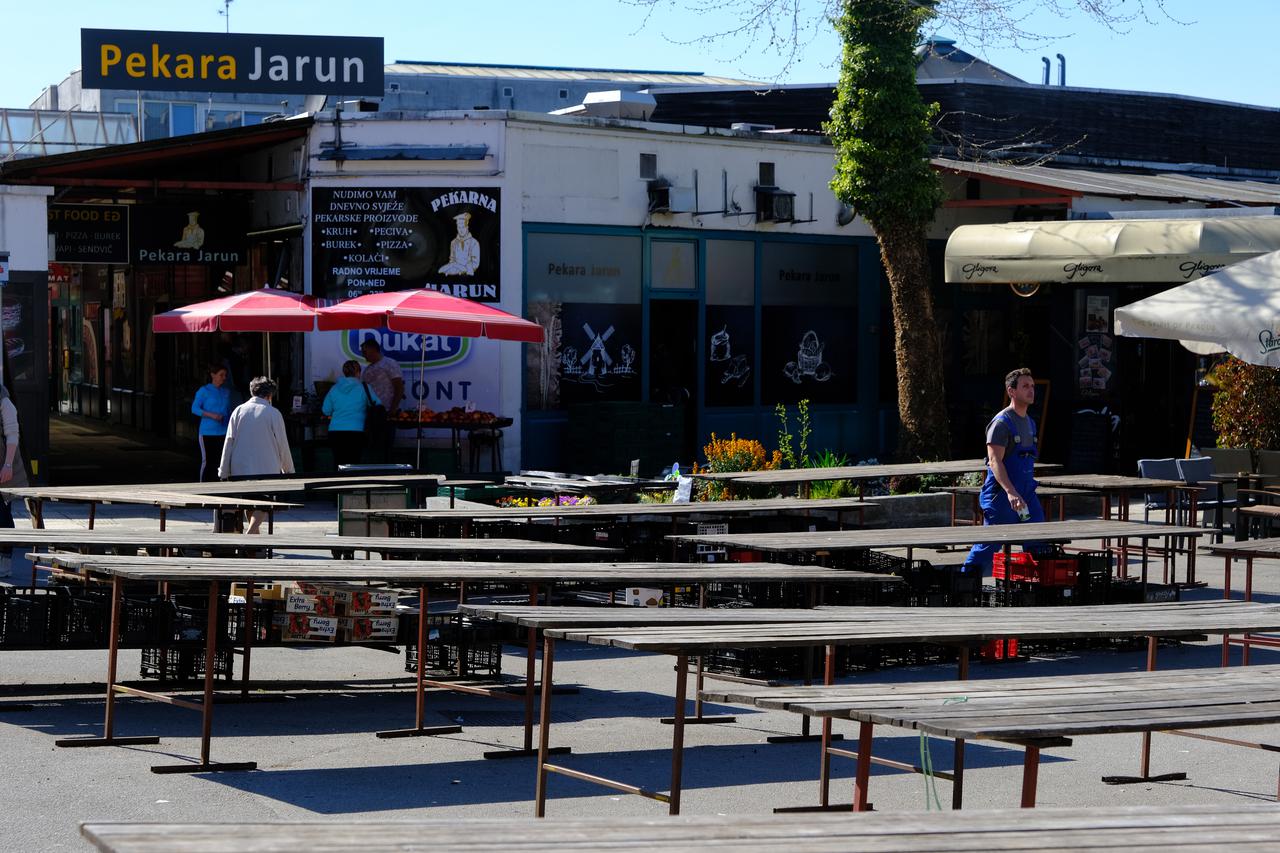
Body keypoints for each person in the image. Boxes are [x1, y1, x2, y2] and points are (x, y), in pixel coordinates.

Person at [963, 367, 1044, 573]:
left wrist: (1021, 493)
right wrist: (1010, 492)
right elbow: (994, 461)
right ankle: (964, 581)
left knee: (1039, 540)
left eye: (1032, 386)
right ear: (1012, 391)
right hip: (1002, 496)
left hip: (1026, 494)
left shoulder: (1031, 423)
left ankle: (1038, 589)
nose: (1031, 390)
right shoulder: (1001, 424)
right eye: (1025, 386)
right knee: (988, 546)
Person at [218, 376, 294, 534]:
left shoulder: (238, 411)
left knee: (249, 501)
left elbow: (229, 442)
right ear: (270, 395)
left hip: (240, 467)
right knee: (264, 502)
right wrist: (289, 470)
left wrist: (224, 470)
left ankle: (253, 543)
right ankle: (251, 533)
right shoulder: (273, 413)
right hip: (266, 467)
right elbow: (283, 444)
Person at [322, 359, 380, 467]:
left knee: (338, 463)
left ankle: (338, 482)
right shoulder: (364, 388)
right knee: (354, 464)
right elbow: (377, 405)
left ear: (344, 372)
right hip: (357, 432)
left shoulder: (334, 388)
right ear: (358, 372)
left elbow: (326, 410)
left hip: (335, 432)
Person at [360, 338, 404, 461]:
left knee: (385, 445)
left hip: (386, 411)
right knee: (371, 444)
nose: (363, 355)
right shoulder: (367, 369)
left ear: (373, 349)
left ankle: (386, 472)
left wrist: (393, 409)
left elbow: (399, 387)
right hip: (370, 411)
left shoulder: (389, 364)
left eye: (365, 351)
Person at [0, 386, 27, 578]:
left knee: (1, 514)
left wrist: (8, 465)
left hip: (2, 467)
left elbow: (12, 434)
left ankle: (5, 560)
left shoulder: (4, 401)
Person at [191, 364, 234, 482]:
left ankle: (220, 483)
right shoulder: (204, 391)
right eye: (221, 375)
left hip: (223, 431)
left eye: (225, 375)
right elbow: (194, 408)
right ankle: (203, 484)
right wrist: (211, 415)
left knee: (222, 459)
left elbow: (228, 410)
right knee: (208, 460)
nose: (224, 378)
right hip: (207, 432)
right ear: (213, 375)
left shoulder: (226, 392)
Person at [438, 211, 480, 276]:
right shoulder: (453, 242)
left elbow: (475, 264)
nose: (461, 230)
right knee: (441, 271)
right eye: (459, 227)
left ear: (467, 227)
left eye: (463, 227)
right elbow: (452, 259)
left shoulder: (474, 243)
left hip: (468, 274)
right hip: (455, 272)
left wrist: (463, 269)